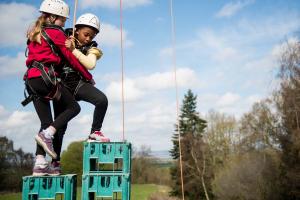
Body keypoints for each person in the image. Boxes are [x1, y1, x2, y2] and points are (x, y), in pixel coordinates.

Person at [24, 0, 93, 176]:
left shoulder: (35, 32)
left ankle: (39, 164)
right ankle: (49, 135)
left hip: (31, 81)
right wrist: (88, 77)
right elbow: (71, 59)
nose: (64, 23)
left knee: (46, 123)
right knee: (73, 107)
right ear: (54, 17)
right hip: (46, 78)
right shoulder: (56, 33)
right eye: (63, 19)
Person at [51, 13, 110, 172]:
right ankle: (54, 161)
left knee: (102, 100)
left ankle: (94, 132)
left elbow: (90, 64)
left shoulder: (93, 48)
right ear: (76, 30)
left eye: (92, 36)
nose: (88, 39)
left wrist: (73, 51)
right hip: (61, 87)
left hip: (78, 83)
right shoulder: (62, 36)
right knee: (60, 127)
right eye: (86, 34)